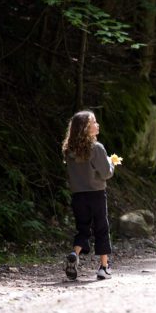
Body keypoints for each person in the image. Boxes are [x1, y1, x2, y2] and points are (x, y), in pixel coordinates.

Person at [62, 110, 122, 280]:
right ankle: (104, 267)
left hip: (78, 196)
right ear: (85, 128)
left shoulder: (69, 150)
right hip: (96, 194)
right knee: (101, 229)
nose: (97, 125)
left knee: (83, 229)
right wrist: (112, 163)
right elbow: (106, 173)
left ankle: (75, 254)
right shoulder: (96, 148)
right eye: (94, 122)